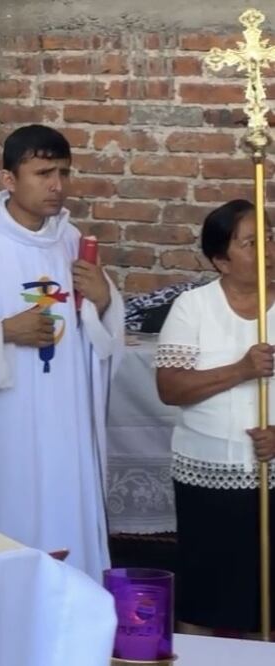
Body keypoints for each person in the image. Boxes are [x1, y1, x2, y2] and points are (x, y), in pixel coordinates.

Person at [0, 124, 122, 581]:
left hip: (65, 422)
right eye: (43, 173)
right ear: (8, 180)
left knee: (65, 521)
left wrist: (103, 301)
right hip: (0, 426)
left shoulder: (72, 242)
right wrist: (2, 332)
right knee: (3, 526)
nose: (57, 185)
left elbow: (100, 342)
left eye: (63, 173)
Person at [155, 199, 275, 639]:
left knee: (266, 596)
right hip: (207, 473)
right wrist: (242, 369)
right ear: (221, 260)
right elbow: (171, 388)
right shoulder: (194, 307)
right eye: (251, 242)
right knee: (205, 589)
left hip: (271, 473)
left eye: (270, 237)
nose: (268, 250)